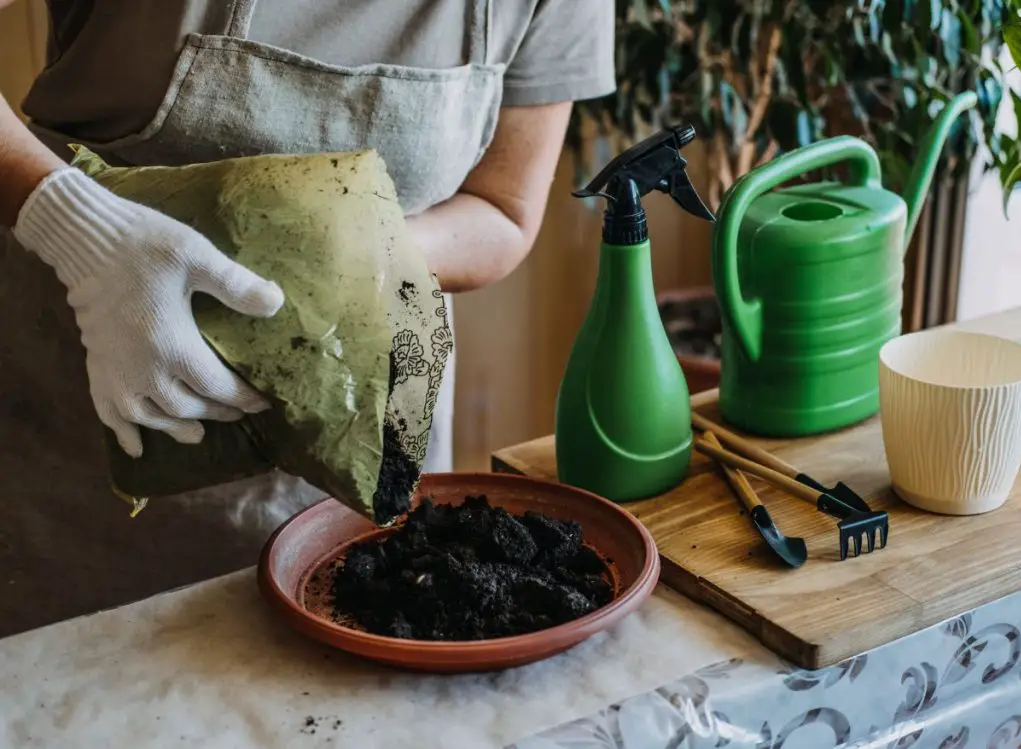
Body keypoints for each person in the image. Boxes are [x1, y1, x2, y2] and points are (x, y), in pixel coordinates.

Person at [0, 0, 614, 636]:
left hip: (368, 417)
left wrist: (336, 249)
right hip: (82, 411)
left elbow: (502, 211)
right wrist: (69, 220)